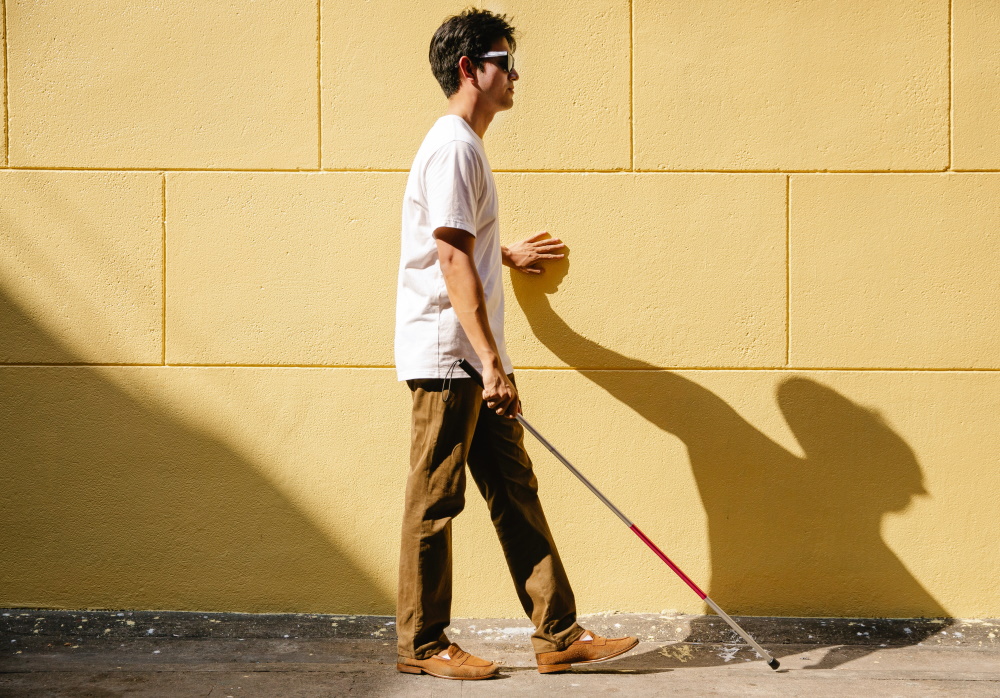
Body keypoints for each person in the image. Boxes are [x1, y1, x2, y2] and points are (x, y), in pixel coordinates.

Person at [393, 8, 638, 681]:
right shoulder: (452, 147)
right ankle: (422, 644)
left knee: (515, 489)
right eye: (504, 60)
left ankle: (558, 633)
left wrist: (504, 251)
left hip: (472, 360)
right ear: (471, 69)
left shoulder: (464, 148)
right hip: (452, 359)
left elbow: (458, 239)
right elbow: (447, 259)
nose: (515, 73)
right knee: (436, 498)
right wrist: (494, 366)